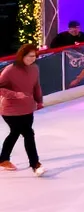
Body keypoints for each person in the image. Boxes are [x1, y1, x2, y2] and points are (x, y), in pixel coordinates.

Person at [0, 43, 43, 175]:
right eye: (30, 56)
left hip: (27, 108)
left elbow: (36, 86)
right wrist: (15, 94)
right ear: (22, 55)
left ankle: (3, 159)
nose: (32, 59)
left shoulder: (35, 68)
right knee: (28, 134)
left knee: (15, 133)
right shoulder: (10, 70)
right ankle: (35, 163)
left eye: (34, 56)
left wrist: (39, 100)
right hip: (10, 110)